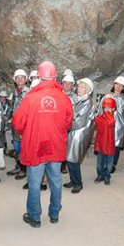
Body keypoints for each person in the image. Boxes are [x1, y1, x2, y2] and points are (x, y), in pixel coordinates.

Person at [12, 61, 73, 228]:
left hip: (36, 145)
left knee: (34, 182)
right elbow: (68, 123)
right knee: (55, 180)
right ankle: (54, 214)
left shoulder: (30, 98)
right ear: (55, 76)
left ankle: (34, 217)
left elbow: (17, 123)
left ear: (39, 76)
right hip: (55, 145)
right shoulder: (64, 98)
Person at [64, 78, 95, 194]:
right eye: (79, 86)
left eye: (82, 87)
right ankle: (73, 180)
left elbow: (78, 122)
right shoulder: (80, 100)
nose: (79, 89)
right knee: (70, 158)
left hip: (78, 134)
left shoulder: (86, 103)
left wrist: (65, 126)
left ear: (88, 90)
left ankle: (78, 183)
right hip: (74, 133)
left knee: (73, 160)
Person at [97, 76, 124, 174]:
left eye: (121, 86)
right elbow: (100, 110)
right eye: (117, 84)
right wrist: (99, 122)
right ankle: (103, 163)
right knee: (104, 144)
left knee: (116, 146)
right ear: (114, 85)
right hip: (106, 125)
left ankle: (113, 164)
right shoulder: (107, 96)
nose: (118, 87)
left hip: (119, 126)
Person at [7, 69, 30, 180]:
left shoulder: (29, 92)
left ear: (26, 80)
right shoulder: (15, 92)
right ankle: (19, 166)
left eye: (22, 77)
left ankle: (23, 170)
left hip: (24, 124)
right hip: (15, 123)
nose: (20, 79)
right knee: (16, 147)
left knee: (23, 148)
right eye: (17, 78)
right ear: (15, 80)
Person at [94, 97, 117, 186]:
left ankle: (107, 176)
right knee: (99, 164)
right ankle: (100, 175)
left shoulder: (112, 118)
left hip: (109, 145)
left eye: (109, 108)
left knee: (109, 164)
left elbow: (110, 122)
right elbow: (96, 122)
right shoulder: (100, 117)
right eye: (105, 108)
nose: (106, 110)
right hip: (100, 144)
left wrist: (106, 114)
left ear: (113, 109)